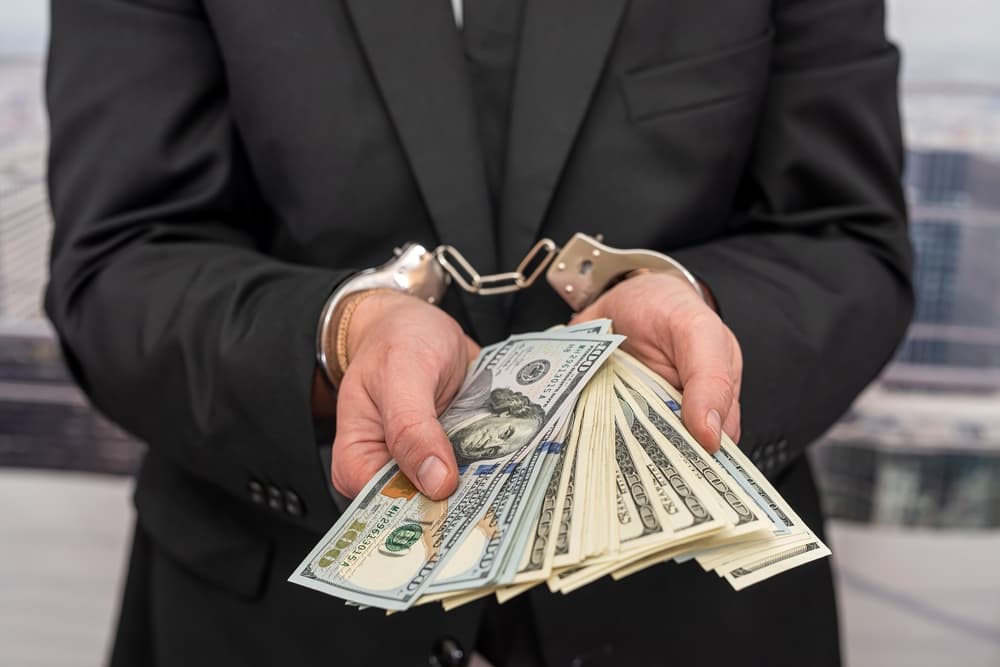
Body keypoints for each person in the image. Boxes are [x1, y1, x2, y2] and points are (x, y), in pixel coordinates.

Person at [45, 0, 912, 665]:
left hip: (690, 614)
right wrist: (342, 335)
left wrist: (694, 306)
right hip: (270, 626)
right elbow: (123, 259)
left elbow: (847, 239)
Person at [441, 371, 547, 464]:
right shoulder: (477, 388)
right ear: (506, 413)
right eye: (505, 434)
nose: (488, 446)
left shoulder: (454, 460)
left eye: (495, 451)